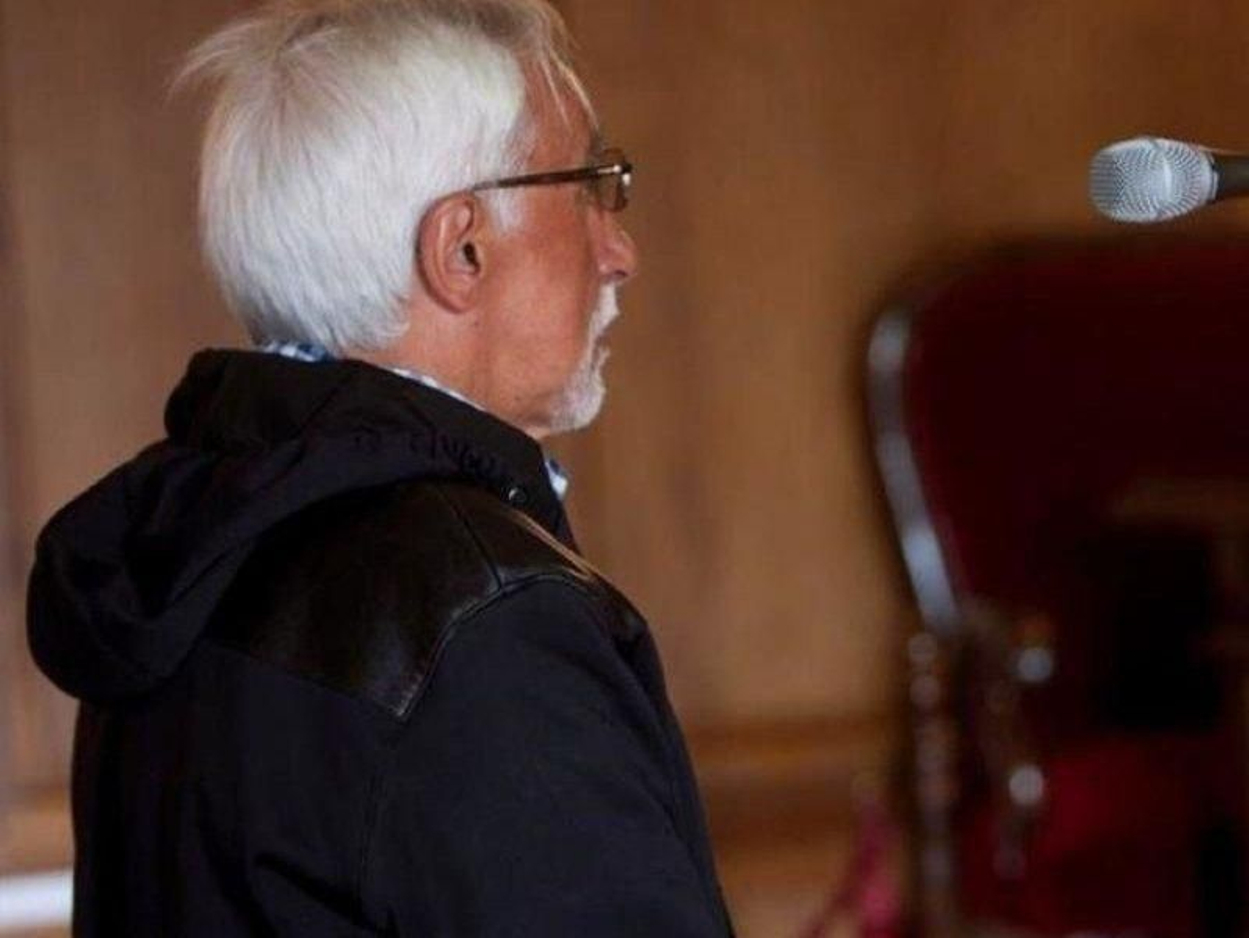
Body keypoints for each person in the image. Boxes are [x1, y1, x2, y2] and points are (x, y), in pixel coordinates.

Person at [26, 1, 732, 933]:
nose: (620, 250)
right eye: (593, 185)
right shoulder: (487, 623)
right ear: (462, 248)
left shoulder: (178, 551)